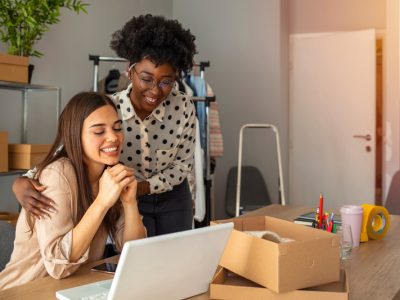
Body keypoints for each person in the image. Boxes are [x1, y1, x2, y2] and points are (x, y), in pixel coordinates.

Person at [13, 14, 197, 237]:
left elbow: (182, 164)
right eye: (146, 79)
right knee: (134, 261)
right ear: (130, 71)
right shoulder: (110, 109)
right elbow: (71, 150)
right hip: (127, 199)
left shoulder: (183, 106)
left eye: (166, 82)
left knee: (177, 258)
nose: (156, 90)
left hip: (173, 196)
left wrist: (144, 187)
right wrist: (23, 182)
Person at [0, 92, 146, 290]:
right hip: (25, 290)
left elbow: (132, 251)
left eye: (117, 128)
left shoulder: (110, 174)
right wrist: (102, 202)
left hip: (74, 287)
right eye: (98, 131)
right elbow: (57, 266)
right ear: (75, 135)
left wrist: (130, 203)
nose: (113, 137)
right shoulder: (58, 174)